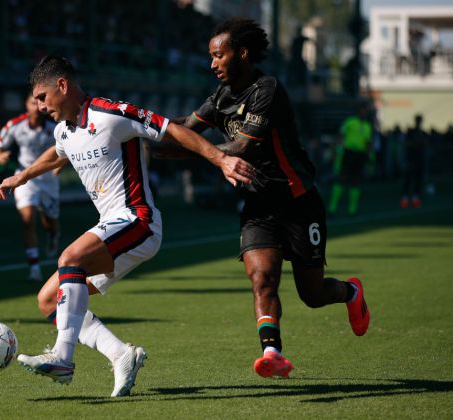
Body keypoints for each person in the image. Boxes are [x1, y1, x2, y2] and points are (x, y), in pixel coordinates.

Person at [0, 55, 254, 396]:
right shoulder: (65, 130)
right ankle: (121, 355)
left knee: (69, 258)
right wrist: (21, 176)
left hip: (138, 221)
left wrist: (221, 159)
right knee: (48, 301)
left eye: (42, 97)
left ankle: (62, 356)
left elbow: (170, 129)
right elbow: (57, 154)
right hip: (114, 228)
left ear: (62, 86)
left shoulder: (111, 113)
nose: (40, 106)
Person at [154, 18, 370, 378]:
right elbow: (184, 128)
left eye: (218, 55)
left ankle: (350, 292)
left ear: (242, 53)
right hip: (259, 206)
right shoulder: (221, 97)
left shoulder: (266, 89)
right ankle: (272, 353)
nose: (212, 64)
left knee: (312, 294)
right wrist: (137, 128)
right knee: (262, 279)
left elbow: (241, 148)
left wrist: (182, 151)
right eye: (210, 56)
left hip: (299, 202)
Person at [0, 95, 61, 281]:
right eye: (33, 102)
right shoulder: (15, 125)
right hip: (24, 179)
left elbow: (67, 149)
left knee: (50, 222)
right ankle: (34, 268)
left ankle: (53, 235)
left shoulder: (55, 126)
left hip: (48, 179)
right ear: (26, 105)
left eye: (41, 102)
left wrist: (61, 165)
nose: (38, 106)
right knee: (28, 220)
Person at [328, 104, 373, 216]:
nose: (363, 113)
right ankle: (332, 208)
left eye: (365, 111)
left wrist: (369, 156)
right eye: (362, 111)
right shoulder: (350, 122)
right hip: (349, 153)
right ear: (358, 112)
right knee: (341, 179)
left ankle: (352, 210)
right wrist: (334, 151)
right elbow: (340, 136)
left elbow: (368, 143)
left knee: (356, 181)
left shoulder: (368, 126)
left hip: (360, 155)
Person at [400, 114, 428, 208]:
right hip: (410, 159)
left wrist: (419, 142)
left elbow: (425, 143)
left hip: (419, 160)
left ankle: (415, 199)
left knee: (418, 180)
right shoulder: (410, 132)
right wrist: (416, 143)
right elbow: (407, 143)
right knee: (408, 179)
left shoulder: (423, 133)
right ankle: (404, 199)